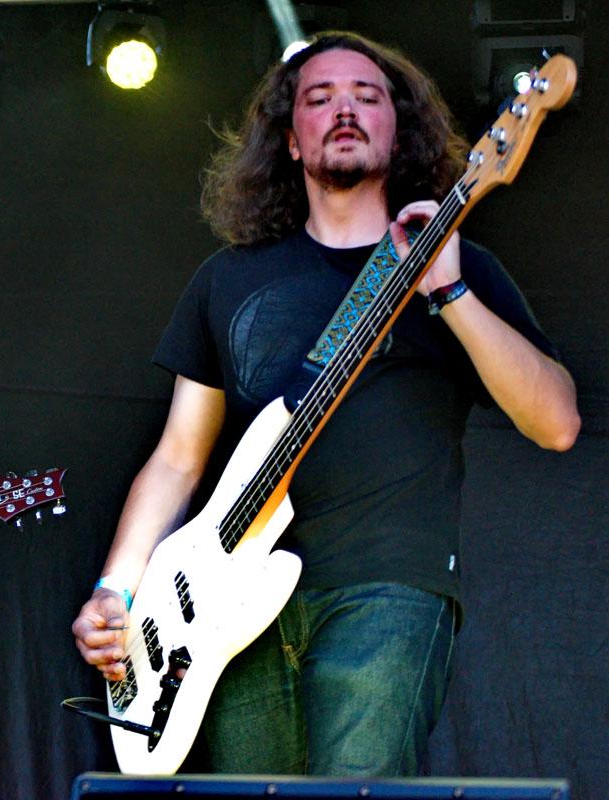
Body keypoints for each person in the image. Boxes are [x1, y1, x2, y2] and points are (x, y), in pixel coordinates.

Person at [71, 32, 580, 776]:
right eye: (320, 98)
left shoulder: (461, 266)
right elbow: (178, 459)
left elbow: (558, 423)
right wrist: (115, 588)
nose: (345, 109)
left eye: (367, 97)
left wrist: (449, 290)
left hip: (388, 585)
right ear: (291, 138)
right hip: (223, 605)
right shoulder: (227, 280)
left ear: (398, 131)